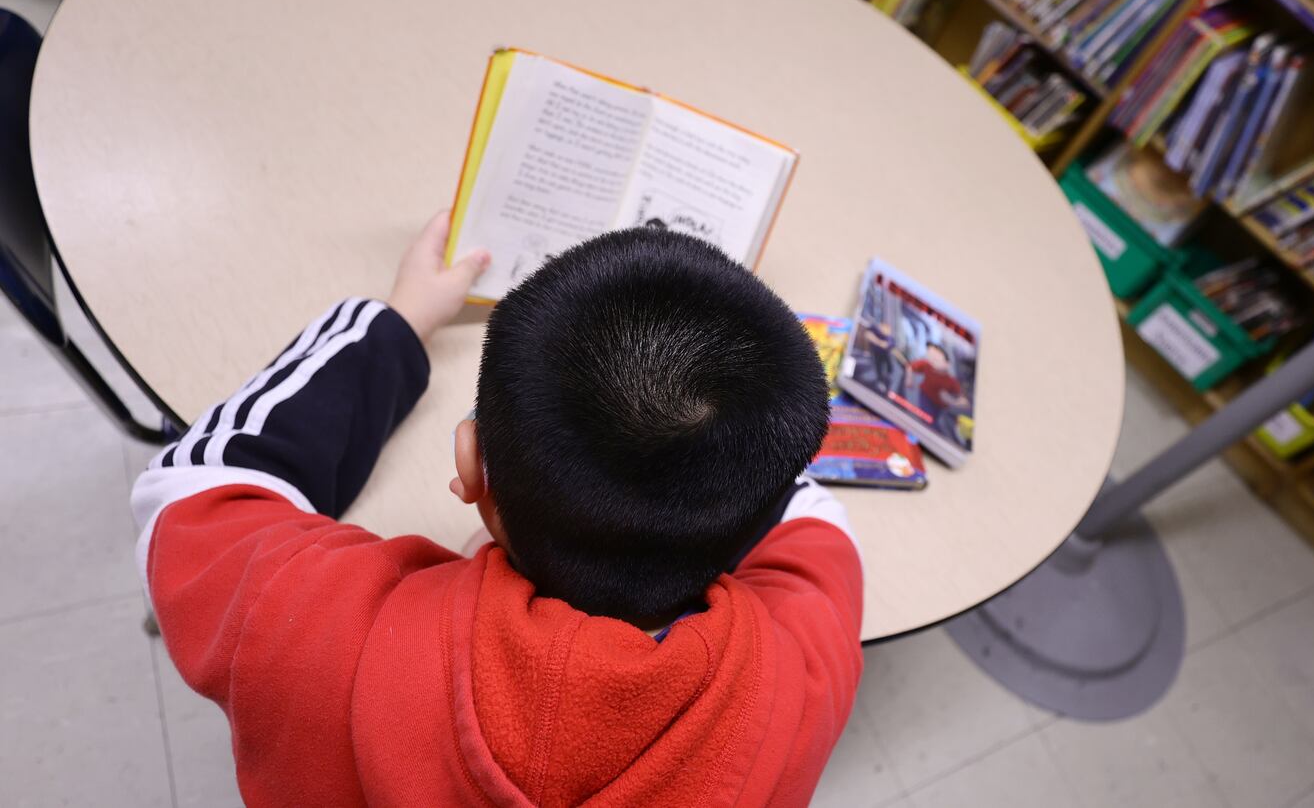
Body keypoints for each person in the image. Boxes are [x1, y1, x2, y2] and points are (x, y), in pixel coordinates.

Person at [130, 213, 864, 807]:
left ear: (471, 466)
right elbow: (816, 525)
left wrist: (395, 322)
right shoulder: (802, 682)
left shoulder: (308, 631)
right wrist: (727, 448)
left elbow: (195, 484)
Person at [905, 342, 969, 439]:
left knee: (936, 422)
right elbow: (911, 366)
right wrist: (909, 378)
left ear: (947, 364)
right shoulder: (927, 365)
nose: (934, 361)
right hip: (926, 396)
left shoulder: (951, 381)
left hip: (940, 406)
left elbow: (962, 399)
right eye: (932, 357)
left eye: (938, 358)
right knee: (928, 419)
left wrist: (953, 401)